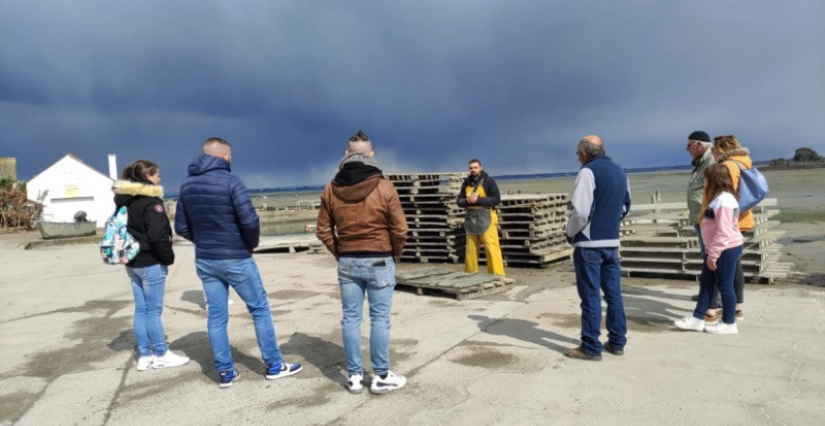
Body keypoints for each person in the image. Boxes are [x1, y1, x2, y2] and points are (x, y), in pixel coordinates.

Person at [175, 137, 301, 388]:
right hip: (236, 257)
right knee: (259, 309)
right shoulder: (232, 182)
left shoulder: (187, 186)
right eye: (230, 155)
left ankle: (225, 372)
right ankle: (274, 365)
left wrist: (202, 240)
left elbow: (180, 227)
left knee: (217, 315)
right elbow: (250, 221)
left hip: (206, 260)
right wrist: (249, 244)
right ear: (224, 156)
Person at [316, 130, 409, 395]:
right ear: (371, 155)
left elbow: (322, 230)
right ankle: (381, 376)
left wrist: (340, 252)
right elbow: (400, 229)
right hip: (379, 259)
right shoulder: (384, 186)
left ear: (346, 155)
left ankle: (355, 376)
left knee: (350, 319)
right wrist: (395, 255)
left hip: (347, 262)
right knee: (379, 318)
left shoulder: (331, 188)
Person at [113, 160, 189, 371]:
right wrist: (167, 258)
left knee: (141, 309)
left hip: (132, 262)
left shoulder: (124, 201)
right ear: (147, 177)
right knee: (153, 311)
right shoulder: (150, 202)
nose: (160, 179)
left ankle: (145, 355)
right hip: (150, 262)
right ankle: (162, 353)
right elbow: (157, 237)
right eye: (157, 175)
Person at [564, 135, 631, 361]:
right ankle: (617, 341)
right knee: (614, 294)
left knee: (590, 296)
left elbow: (581, 211)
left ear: (584, 153)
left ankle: (590, 347)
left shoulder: (587, 172)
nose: (578, 158)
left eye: (578, 154)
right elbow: (625, 206)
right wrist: (609, 224)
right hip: (612, 242)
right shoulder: (621, 171)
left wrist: (570, 232)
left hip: (589, 243)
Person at [674, 164, 744, 334]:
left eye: (705, 179)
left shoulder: (724, 200)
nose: (704, 182)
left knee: (725, 285)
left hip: (725, 249)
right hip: (714, 248)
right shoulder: (719, 198)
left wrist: (713, 255)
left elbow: (724, 230)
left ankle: (729, 323)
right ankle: (698, 319)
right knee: (706, 283)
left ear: (714, 180)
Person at [702, 135, 751, 321]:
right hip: (734, 222)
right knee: (732, 268)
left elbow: (724, 196)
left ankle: (716, 310)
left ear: (721, 149)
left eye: (713, 149)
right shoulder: (741, 163)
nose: (712, 153)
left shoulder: (728, 167)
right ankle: (733, 308)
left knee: (721, 273)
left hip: (726, 226)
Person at [457, 159, 505, 276]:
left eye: (475, 167)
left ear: (481, 168)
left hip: (487, 219)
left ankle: (497, 276)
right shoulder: (466, 183)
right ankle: (470, 276)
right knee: (470, 250)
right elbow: (459, 201)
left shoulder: (489, 182)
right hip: (471, 220)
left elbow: (496, 199)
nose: (473, 170)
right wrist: (467, 201)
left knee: (492, 249)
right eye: (471, 168)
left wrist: (478, 200)